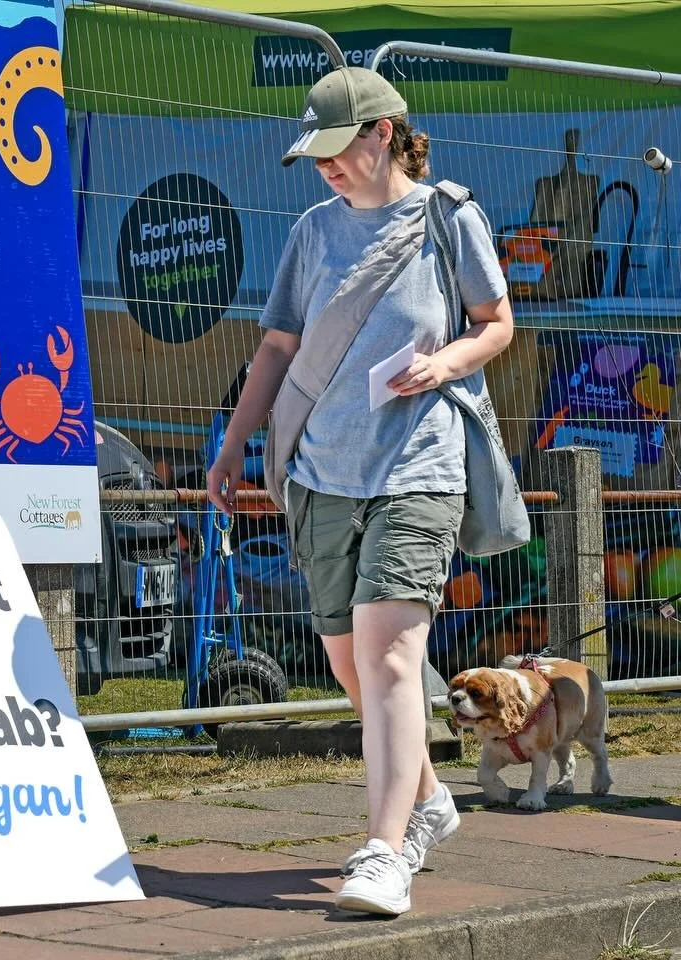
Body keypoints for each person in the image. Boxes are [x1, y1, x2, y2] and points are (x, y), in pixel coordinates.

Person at [206, 67, 513, 916]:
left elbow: (497, 323)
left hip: (419, 467)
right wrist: (235, 445)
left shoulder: (450, 218)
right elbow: (275, 347)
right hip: (321, 472)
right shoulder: (311, 232)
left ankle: (384, 852)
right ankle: (430, 800)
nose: (326, 169)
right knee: (349, 660)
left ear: (382, 134)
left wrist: (444, 363)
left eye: (337, 151)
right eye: (316, 158)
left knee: (387, 653)